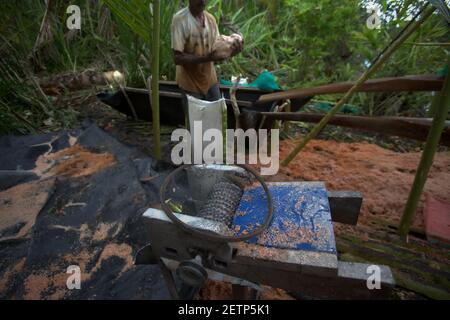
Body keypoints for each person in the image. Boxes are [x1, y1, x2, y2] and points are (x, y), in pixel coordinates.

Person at [171, 0, 243, 124]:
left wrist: (232, 50)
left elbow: (216, 50)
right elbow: (177, 58)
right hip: (190, 83)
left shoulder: (210, 20)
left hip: (210, 81)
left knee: (216, 122)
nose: (203, 1)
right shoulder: (180, 20)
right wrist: (206, 58)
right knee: (196, 126)